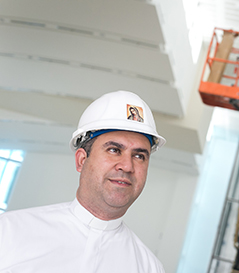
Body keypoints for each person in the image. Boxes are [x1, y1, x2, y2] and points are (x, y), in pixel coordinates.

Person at [0, 90, 167, 273]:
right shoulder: (10, 232)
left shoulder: (149, 268)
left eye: (139, 156)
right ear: (81, 160)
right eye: (114, 150)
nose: (127, 166)